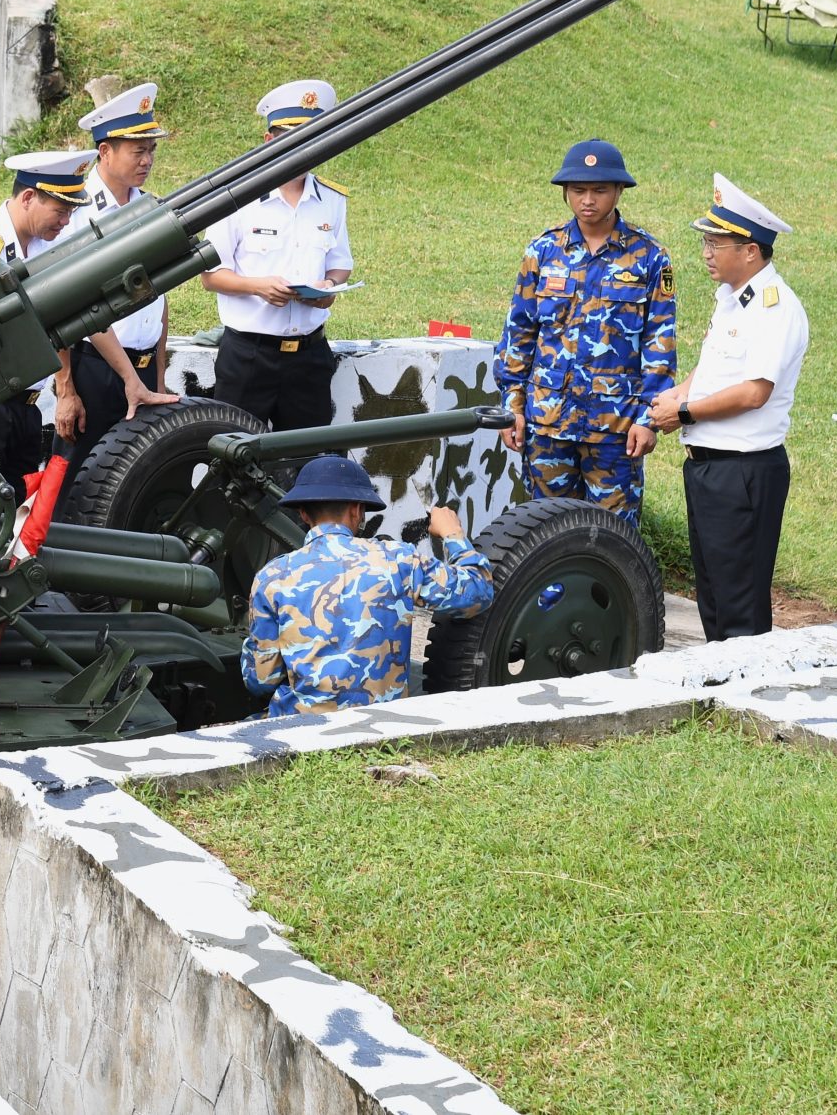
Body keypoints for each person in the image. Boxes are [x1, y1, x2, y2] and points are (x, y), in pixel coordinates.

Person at [650, 175, 810, 641]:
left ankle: (745, 699)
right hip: (710, 468)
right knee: (714, 595)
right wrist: (680, 393)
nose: (706, 251)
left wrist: (683, 413)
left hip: (743, 472)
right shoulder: (733, 300)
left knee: (738, 602)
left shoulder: (773, 308)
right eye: (706, 240)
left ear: (751, 251)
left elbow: (753, 392)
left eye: (717, 242)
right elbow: (715, 371)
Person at [493, 139, 677, 534]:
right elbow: (519, 333)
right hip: (547, 423)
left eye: (599, 190)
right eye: (578, 190)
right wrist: (513, 406)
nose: (588, 200)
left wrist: (649, 419)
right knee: (544, 535)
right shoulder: (543, 251)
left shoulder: (649, 258)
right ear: (565, 193)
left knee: (613, 537)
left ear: (618, 191)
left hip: (616, 427)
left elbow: (659, 344)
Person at [242, 455, 494, 717]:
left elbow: (259, 680)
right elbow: (478, 591)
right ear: (357, 510)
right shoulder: (398, 559)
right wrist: (453, 534)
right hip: (382, 725)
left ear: (304, 514)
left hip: (301, 729)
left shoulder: (272, 576)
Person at [201, 80, 354, 432]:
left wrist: (328, 286)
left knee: (307, 465)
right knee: (233, 463)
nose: (302, 149)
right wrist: (258, 287)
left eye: (311, 139)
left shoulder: (331, 200)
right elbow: (211, 275)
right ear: (270, 140)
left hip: (309, 357)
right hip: (248, 356)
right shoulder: (236, 198)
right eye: (291, 138)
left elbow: (340, 264)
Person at [0, 150, 96, 491]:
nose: (65, 222)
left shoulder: (47, 247)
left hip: (27, 407)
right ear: (29, 197)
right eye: (60, 211)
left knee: (15, 509)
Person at [54, 83, 184, 457]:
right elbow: (60, 304)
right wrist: (66, 389)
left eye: (152, 151)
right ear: (105, 152)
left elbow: (158, 300)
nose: (147, 160)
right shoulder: (76, 212)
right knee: (77, 488)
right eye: (138, 151)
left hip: (142, 369)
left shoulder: (150, 209)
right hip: (95, 373)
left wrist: (157, 376)